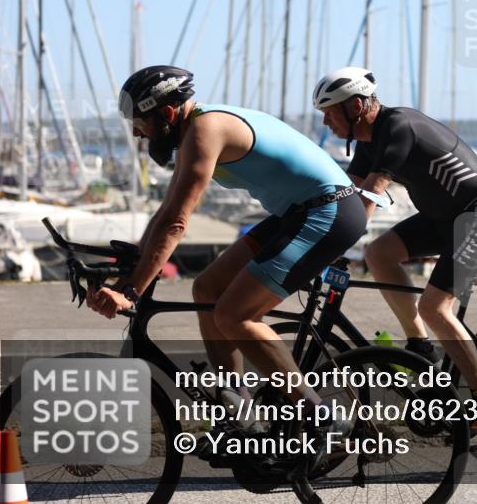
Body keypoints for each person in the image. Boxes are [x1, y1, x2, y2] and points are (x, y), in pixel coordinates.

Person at [88, 65, 365, 455]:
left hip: (329, 212)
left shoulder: (205, 130)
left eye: (140, 123)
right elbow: (165, 213)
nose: (136, 133)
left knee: (235, 316)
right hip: (298, 212)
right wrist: (127, 275)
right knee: (207, 289)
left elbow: (176, 224)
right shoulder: (194, 132)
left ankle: (324, 417)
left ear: (166, 114)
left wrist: (132, 292)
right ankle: (239, 414)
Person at [313, 67, 477, 443]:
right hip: (444, 217)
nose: (326, 122)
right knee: (379, 254)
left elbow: (372, 192)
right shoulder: (367, 140)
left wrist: (330, 248)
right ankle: (420, 346)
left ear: (356, 106)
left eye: (329, 113)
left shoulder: (397, 127)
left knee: (435, 307)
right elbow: (348, 194)